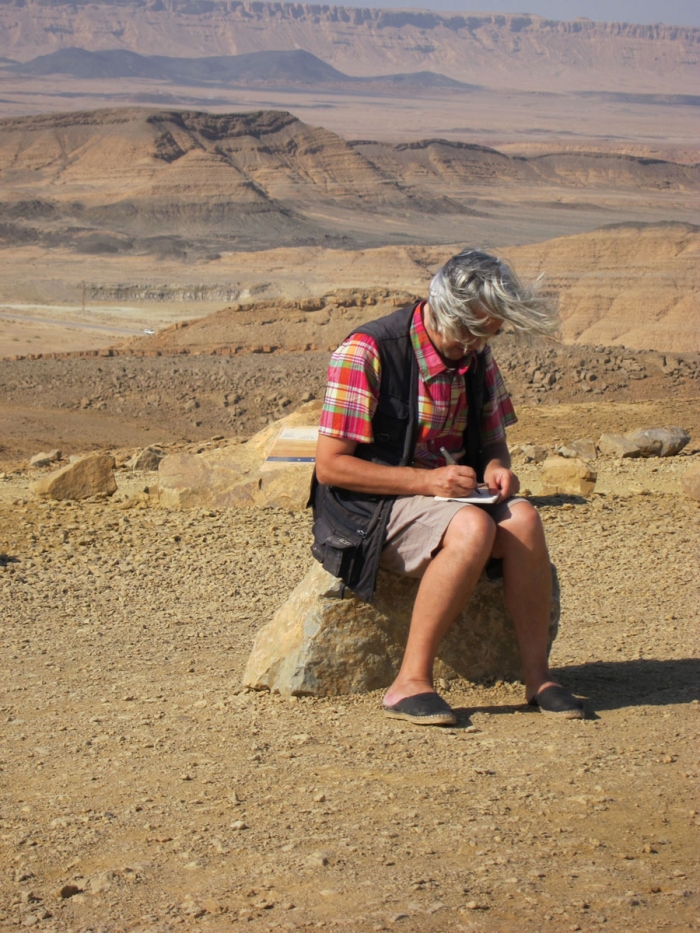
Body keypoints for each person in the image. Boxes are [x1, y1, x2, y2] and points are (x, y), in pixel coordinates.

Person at [310, 248, 584, 726]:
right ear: (445, 311)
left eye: (490, 333)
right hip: (369, 509)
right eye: (473, 333)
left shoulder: (474, 351)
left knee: (524, 519)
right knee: (474, 528)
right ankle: (409, 683)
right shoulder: (367, 352)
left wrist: (498, 468)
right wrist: (427, 481)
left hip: (448, 497)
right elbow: (331, 468)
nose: (479, 345)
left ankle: (538, 677)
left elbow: (495, 439)